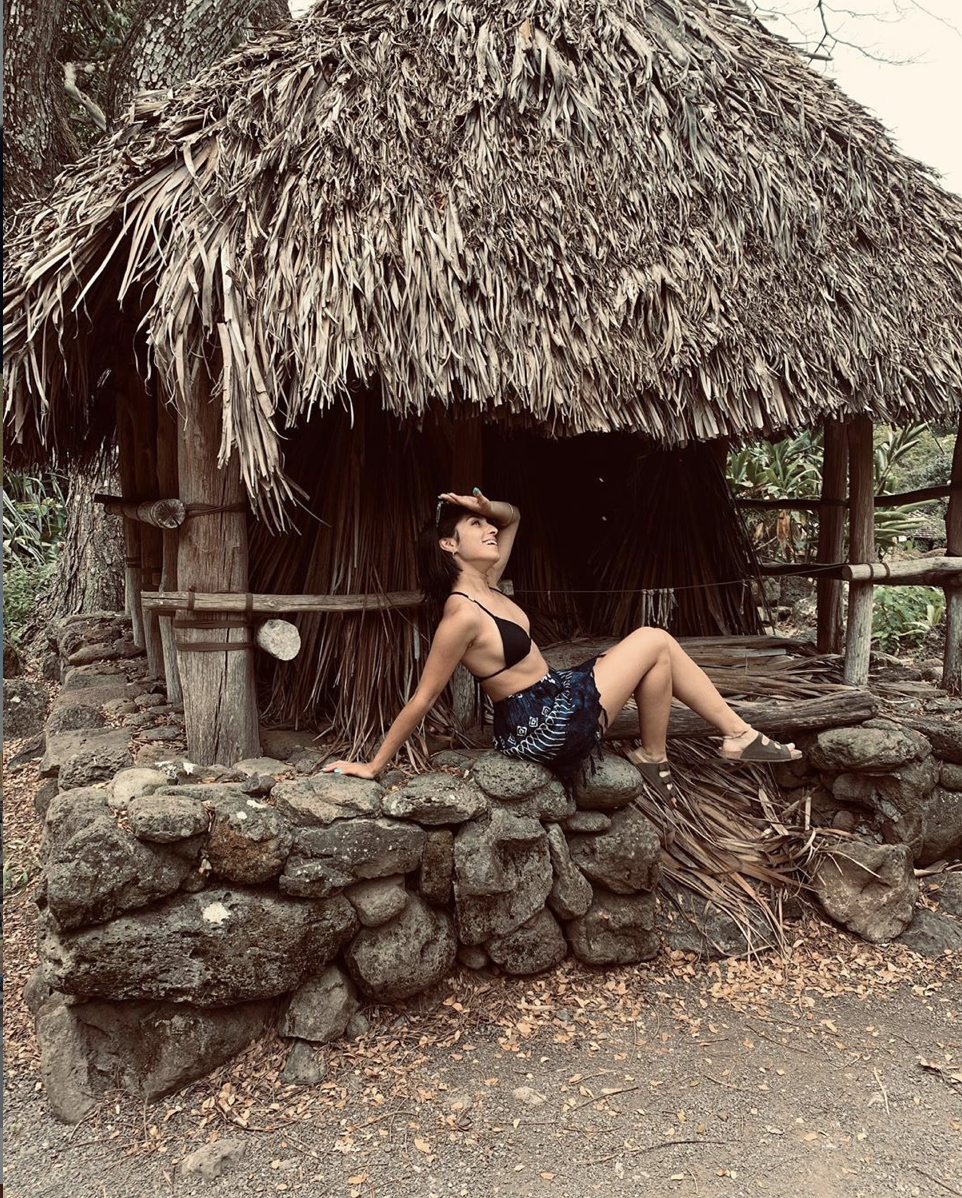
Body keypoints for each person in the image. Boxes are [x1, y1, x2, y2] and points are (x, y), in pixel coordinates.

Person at [322, 489, 802, 799]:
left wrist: (485, 508)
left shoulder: (489, 582)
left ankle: (654, 758)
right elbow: (424, 697)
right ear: (448, 545)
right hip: (537, 724)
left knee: (654, 660)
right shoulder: (460, 613)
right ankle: (736, 735)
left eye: (484, 525)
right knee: (654, 640)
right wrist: (374, 765)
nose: (489, 530)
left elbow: (515, 516)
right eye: (474, 527)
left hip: (555, 696)